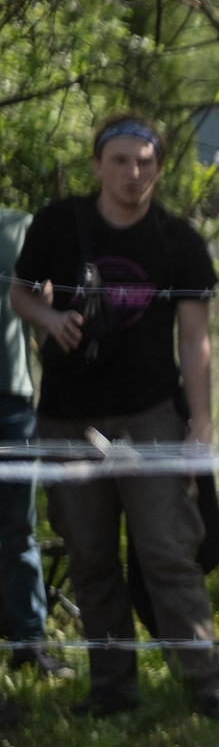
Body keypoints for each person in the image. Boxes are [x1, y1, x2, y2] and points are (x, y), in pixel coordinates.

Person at [8, 113, 219, 719]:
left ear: (159, 168)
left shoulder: (178, 241)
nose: (133, 174)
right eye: (120, 161)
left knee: (167, 548)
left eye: (144, 162)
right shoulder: (59, 225)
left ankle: (207, 683)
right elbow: (21, 292)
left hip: (150, 414)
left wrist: (202, 423)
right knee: (89, 554)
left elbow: (195, 340)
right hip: (66, 418)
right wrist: (49, 319)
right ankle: (112, 689)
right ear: (98, 166)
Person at [0, 202, 64, 681]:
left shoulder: (21, 227)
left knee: (18, 527)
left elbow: (42, 302)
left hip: (12, 398)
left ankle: (28, 642)